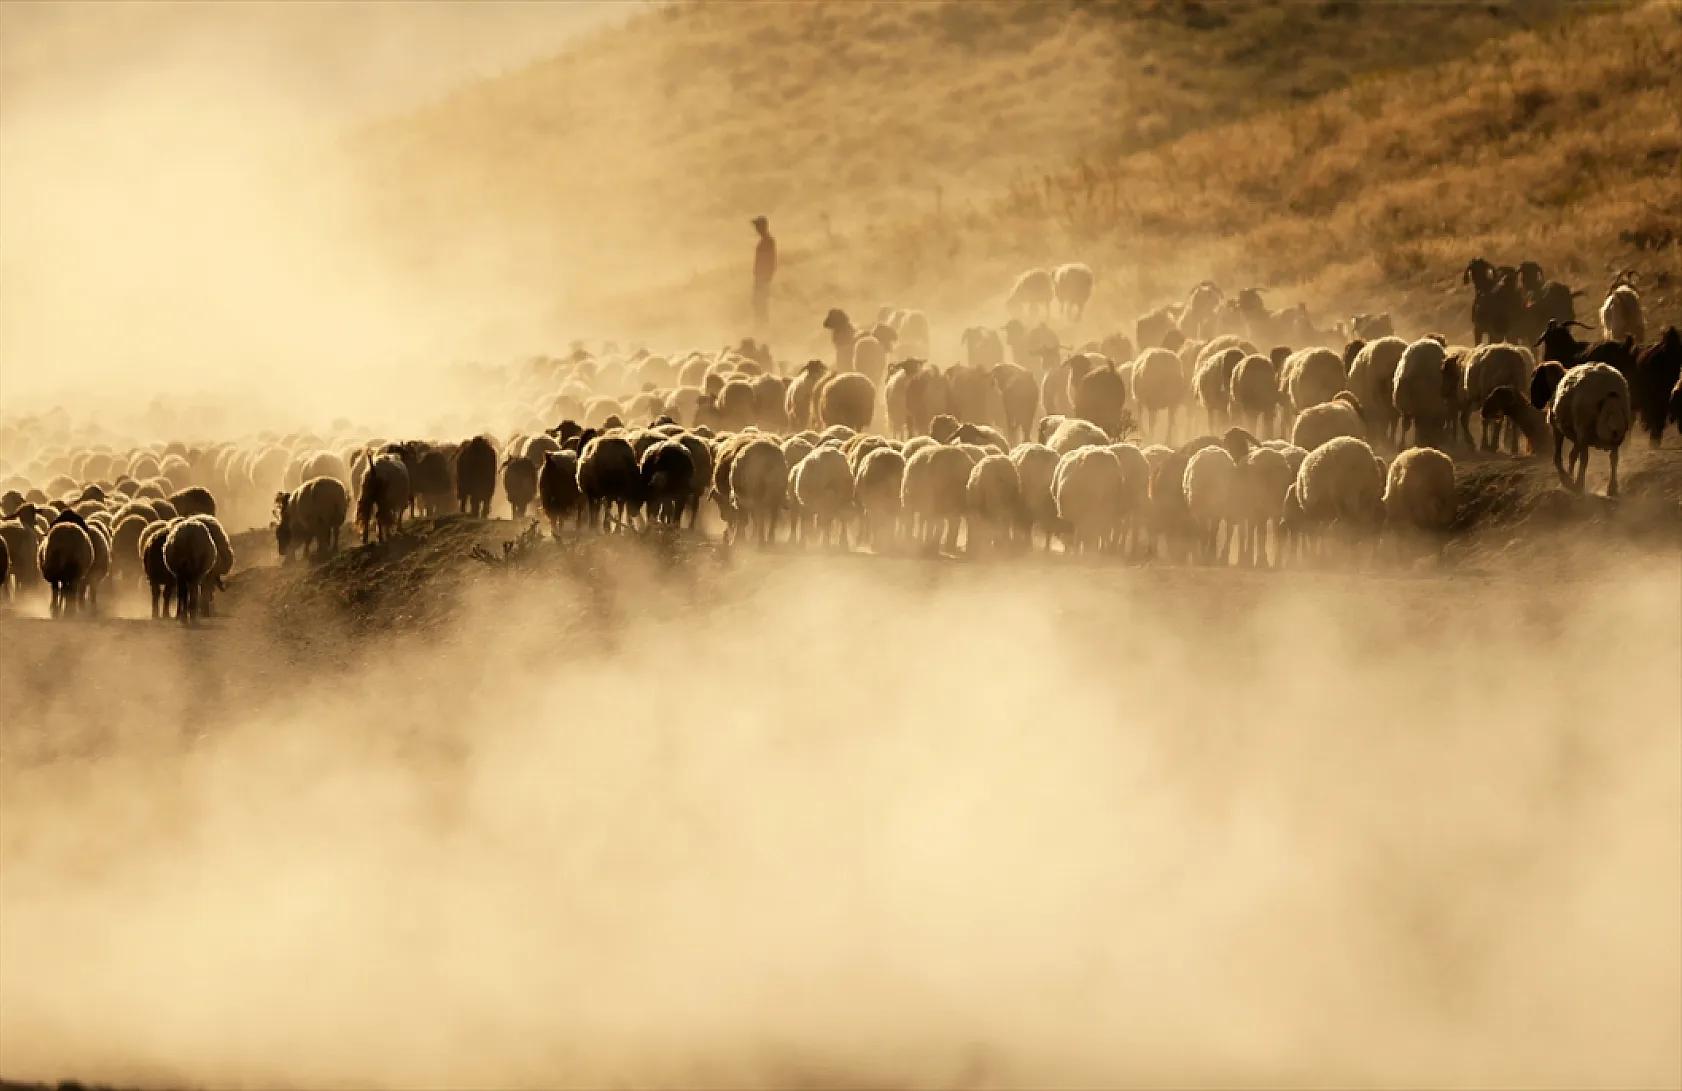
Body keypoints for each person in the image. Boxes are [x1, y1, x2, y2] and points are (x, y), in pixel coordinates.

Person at [751, 215, 776, 333]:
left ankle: (762, 329)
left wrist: (766, 278)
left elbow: (771, 262)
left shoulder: (768, 242)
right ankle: (761, 328)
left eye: (758, 226)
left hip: (763, 279)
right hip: (760, 278)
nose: (756, 229)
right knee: (758, 304)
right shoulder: (765, 242)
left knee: (761, 305)